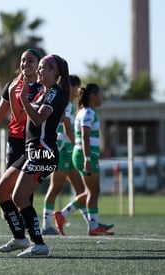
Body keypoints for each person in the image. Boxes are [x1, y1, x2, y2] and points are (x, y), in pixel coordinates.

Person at [0, 54, 69, 257]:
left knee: (20, 196)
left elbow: (36, 120)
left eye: (44, 67)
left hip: (43, 153)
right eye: (40, 67)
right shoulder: (41, 93)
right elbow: (20, 117)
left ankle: (39, 243)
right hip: (29, 152)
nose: (39, 70)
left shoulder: (55, 93)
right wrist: (14, 95)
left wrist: (25, 99)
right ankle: (19, 238)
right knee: (1, 190)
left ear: (56, 73)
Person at [53, 84, 114, 236]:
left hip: (84, 154)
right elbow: (85, 137)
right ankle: (93, 227)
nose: (102, 97)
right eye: (100, 94)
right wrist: (87, 158)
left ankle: (64, 215)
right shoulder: (87, 113)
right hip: (85, 155)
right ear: (92, 95)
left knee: (91, 191)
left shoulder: (84, 112)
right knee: (93, 191)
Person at [41, 75, 84, 234]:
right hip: (63, 150)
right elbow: (64, 126)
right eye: (77, 86)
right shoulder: (64, 102)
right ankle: (46, 225)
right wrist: (77, 145)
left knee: (81, 190)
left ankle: (92, 224)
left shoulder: (72, 104)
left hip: (70, 151)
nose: (79, 89)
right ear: (71, 87)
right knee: (55, 187)